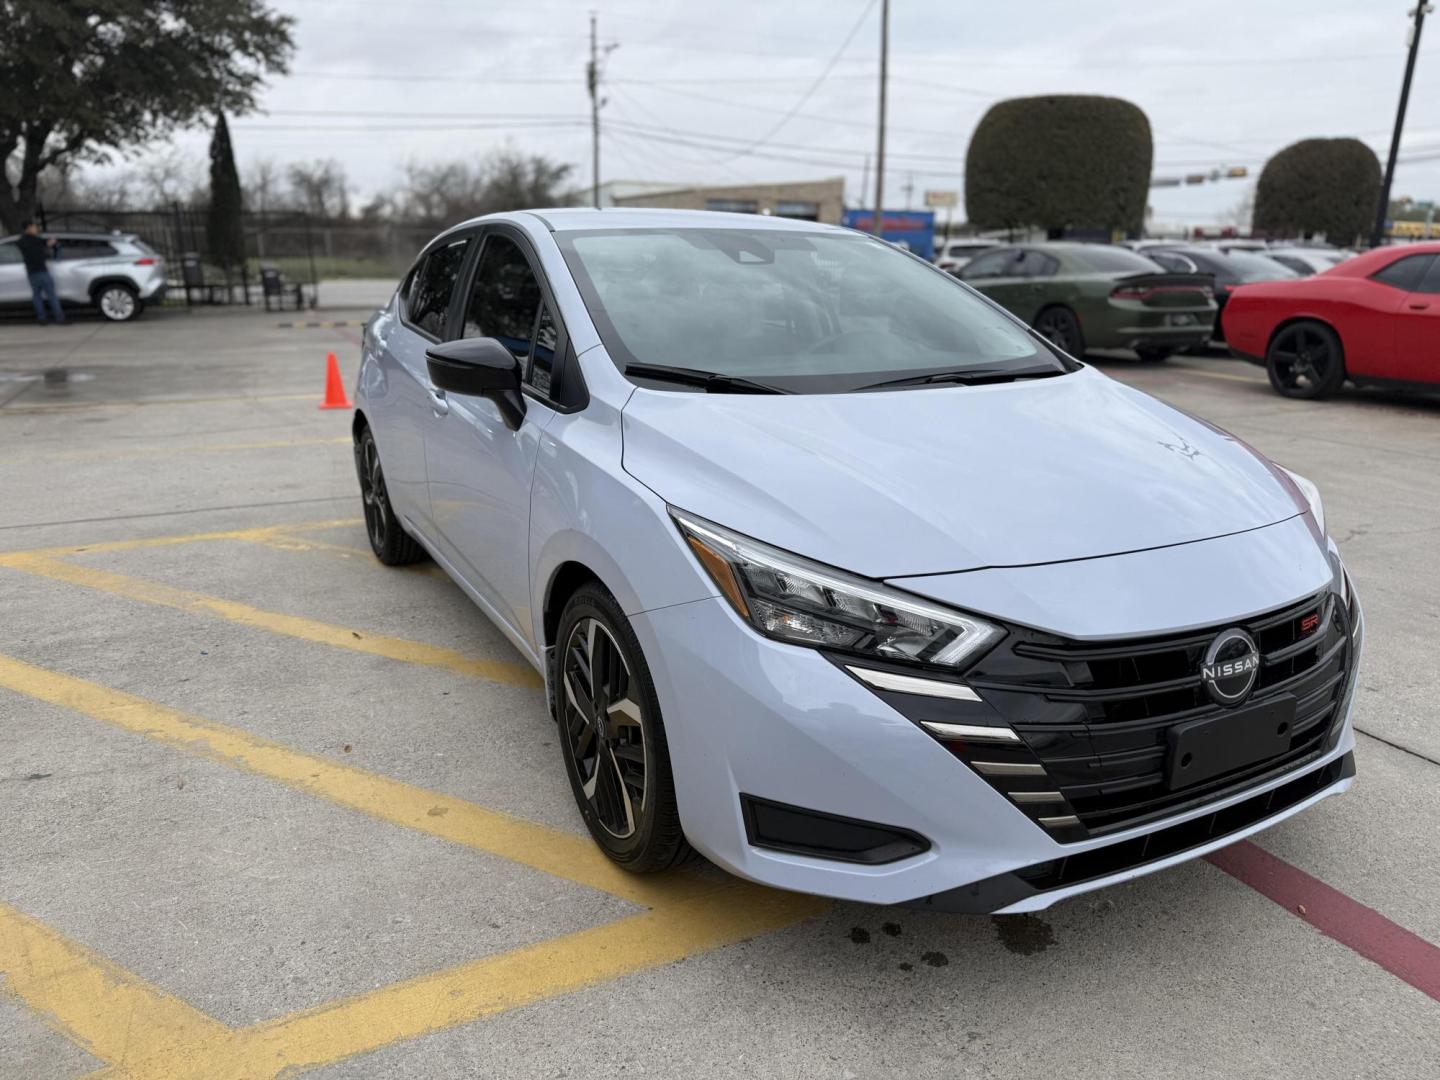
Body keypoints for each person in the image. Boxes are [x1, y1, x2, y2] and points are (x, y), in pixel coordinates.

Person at [17, 221, 65, 325]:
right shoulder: (37, 240)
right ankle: (59, 318)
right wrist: (52, 243)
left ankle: (42, 318)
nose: (36, 229)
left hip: (31, 272)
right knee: (51, 295)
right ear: (28, 228)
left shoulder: (21, 241)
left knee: (36, 296)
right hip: (42, 271)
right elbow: (48, 244)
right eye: (34, 227)